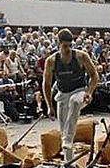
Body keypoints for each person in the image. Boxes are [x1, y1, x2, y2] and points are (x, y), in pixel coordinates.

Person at [42, 29, 99, 160]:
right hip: (62, 95)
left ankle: (67, 140)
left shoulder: (81, 56)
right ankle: (69, 164)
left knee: (74, 101)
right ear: (58, 44)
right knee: (64, 131)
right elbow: (46, 85)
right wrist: (49, 106)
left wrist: (89, 92)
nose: (67, 49)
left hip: (79, 92)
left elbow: (94, 75)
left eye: (70, 46)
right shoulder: (51, 61)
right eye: (64, 46)